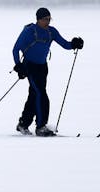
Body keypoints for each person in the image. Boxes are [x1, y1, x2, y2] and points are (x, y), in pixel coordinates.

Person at [12, 7, 84, 136]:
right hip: (30, 66)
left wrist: (74, 44)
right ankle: (41, 127)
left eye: (49, 19)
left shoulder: (52, 32)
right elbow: (15, 49)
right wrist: (19, 66)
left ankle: (23, 123)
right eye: (45, 19)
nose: (48, 22)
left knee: (34, 94)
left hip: (43, 67)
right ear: (38, 19)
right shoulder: (29, 31)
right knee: (41, 95)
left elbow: (65, 45)